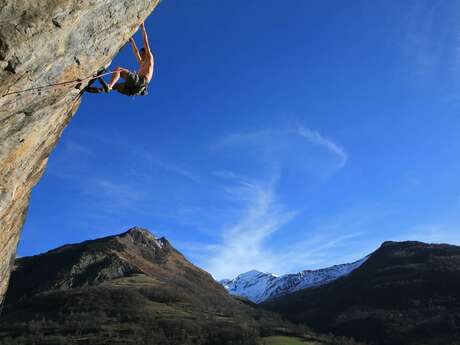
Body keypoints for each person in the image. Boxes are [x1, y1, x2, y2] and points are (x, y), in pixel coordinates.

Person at [85, 22, 154, 96]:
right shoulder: (142, 63)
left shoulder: (149, 57)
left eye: (142, 54)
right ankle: (99, 89)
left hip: (140, 82)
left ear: (145, 53)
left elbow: (145, 42)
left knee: (119, 70)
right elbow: (136, 53)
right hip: (135, 89)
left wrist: (143, 28)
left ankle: (109, 86)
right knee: (116, 85)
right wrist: (132, 41)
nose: (141, 56)